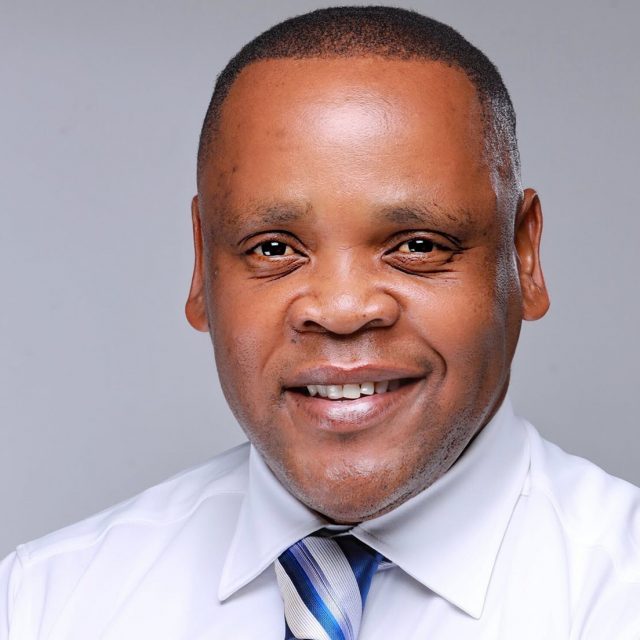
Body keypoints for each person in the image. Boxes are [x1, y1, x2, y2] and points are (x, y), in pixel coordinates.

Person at [1, 6, 638, 639]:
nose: (340, 310)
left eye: (418, 245)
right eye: (274, 248)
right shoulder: (43, 606)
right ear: (200, 267)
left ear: (524, 257)